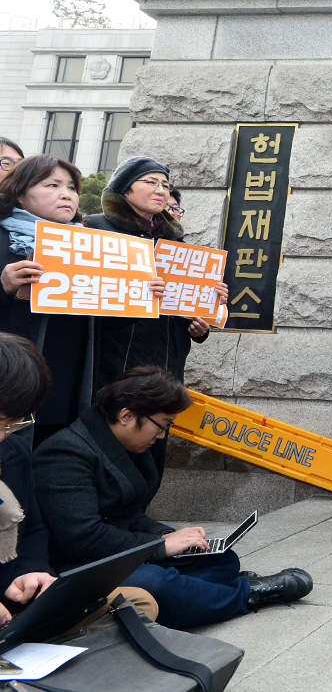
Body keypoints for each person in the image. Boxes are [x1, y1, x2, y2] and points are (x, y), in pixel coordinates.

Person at [34, 367, 312, 630]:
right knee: (156, 584)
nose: (162, 434)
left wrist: (169, 535)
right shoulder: (65, 454)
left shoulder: (122, 444)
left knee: (221, 560)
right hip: (79, 566)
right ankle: (246, 595)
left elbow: (129, 514)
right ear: (127, 416)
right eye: (162, 424)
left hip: (121, 555)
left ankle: (201, 596)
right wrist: (159, 546)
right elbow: (82, 538)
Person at [0, 334, 159, 627]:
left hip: (17, 604)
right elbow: (84, 536)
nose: (3, 434)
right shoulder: (68, 450)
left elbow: (31, 529)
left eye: (13, 424)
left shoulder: (14, 452)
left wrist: (30, 572)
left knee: (139, 602)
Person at [85, 156, 227, 481]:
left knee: (154, 446)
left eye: (164, 183)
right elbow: (83, 294)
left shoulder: (174, 242)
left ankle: (141, 520)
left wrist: (202, 316)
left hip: (165, 363)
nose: (160, 189)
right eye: (150, 181)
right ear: (124, 188)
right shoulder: (95, 228)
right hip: (114, 360)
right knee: (111, 443)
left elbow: (179, 307)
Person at [0, 155, 109, 446]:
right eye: (52, 185)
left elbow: (110, 326)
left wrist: (142, 296)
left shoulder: (94, 247)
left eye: (72, 188)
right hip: (10, 388)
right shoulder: (2, 238)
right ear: (20, 194)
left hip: (69, 387)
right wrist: (4, 287)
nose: (67, 194)